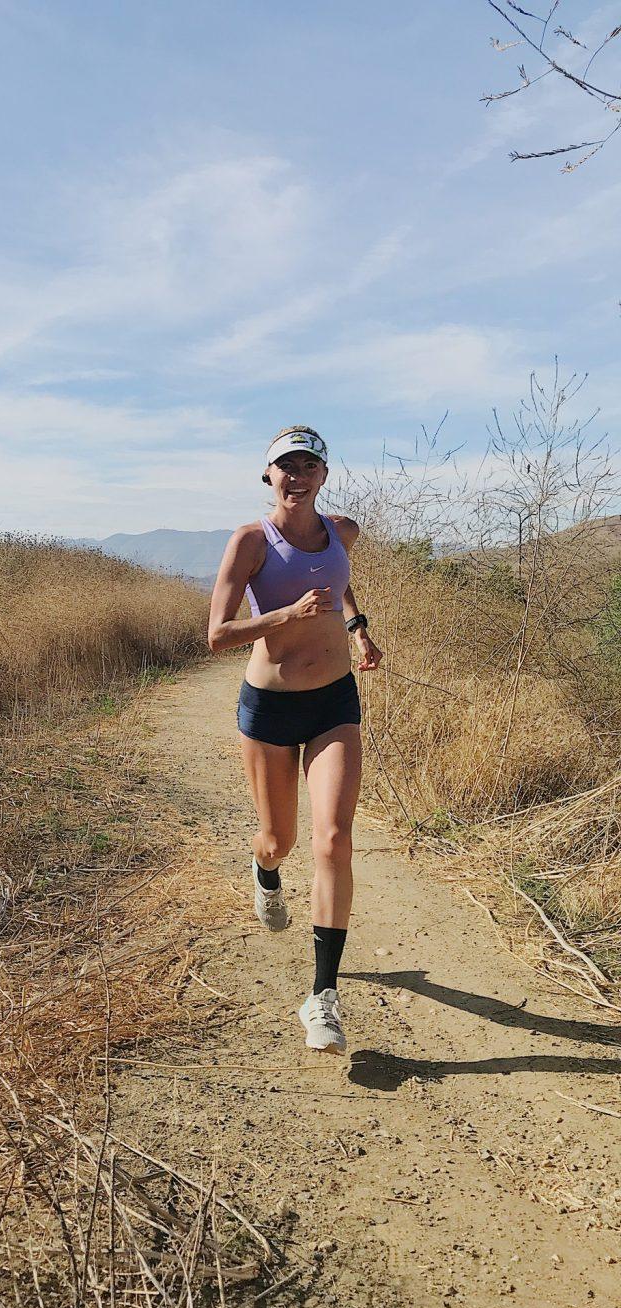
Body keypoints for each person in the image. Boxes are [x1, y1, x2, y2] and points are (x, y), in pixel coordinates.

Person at [207, 426, 383, 1056]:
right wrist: (286, 615)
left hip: (335, 701)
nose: (298, 474)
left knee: (334, 837)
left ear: (325, 474)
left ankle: (323, 996)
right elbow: (218, 634)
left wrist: (356, 627)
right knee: (279, 839)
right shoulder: (251, 541)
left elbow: (339, 576)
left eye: (310, 464)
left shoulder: (344, 531)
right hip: (273, 707)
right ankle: (265, 870)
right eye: (287, 465)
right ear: (269, 475)